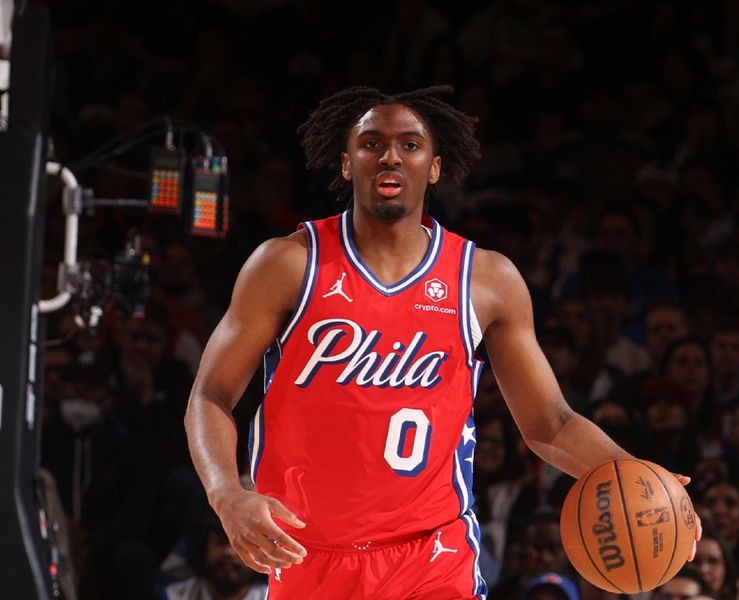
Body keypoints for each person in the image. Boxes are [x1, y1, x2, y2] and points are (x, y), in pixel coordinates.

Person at [184, 85, 700, 599]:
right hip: (308, 553)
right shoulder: (288, 263)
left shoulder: (485, 280)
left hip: (432, 556)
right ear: (346, 164)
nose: (390, 155)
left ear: (434, 166)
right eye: (371, 143)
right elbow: (209, 396)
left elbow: (550, 422)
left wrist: (643, 480)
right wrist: (227, 494)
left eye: (410, 144)